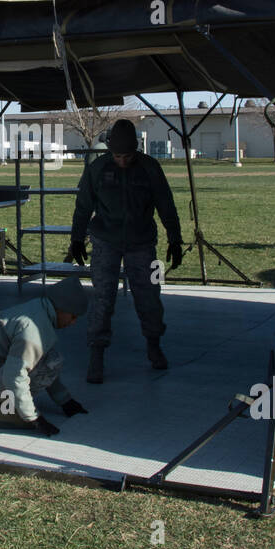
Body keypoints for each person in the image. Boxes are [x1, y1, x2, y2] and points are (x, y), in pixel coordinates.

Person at [67, 118, 183, 383]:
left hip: (142, 243)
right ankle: (96, 354)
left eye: (128, 155)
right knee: (102, 298)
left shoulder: (150, 168)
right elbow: (83, 205)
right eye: (118, 156)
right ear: (110, 150)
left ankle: (154, 345)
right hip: (105, 240)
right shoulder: (97, 169)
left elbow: (166, 205)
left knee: (150, 295)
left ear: (137, 150)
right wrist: (76, 239)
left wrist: (175, 239)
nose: (122, 161)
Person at [0, 276, 90, 435]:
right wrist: (33, 417)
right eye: (73, 316)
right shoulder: (33, 330)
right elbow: (14, 376)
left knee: (47, 358)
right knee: (50, 363)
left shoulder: (38, 309)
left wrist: (65, 400)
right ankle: (10, 414)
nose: (73, 322)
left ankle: (8, 403)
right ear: (61, 308)